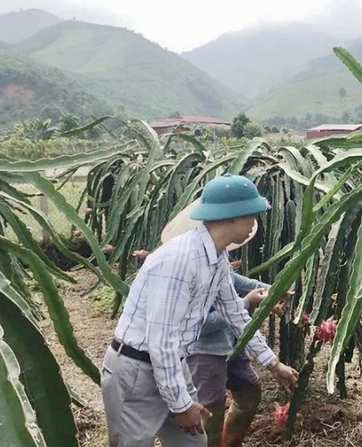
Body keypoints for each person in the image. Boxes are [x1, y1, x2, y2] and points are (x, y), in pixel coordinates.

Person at [101, 173, 299, 446]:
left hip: (172, 365)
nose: (255, 224)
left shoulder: (216, 258)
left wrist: (273, 364)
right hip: (136, 371)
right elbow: (161, 340)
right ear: (233, 216)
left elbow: (236, 315)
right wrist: (182, 406)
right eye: (252, 215)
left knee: (194, 442)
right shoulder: (179, 261)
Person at [160, 202, 291, 447]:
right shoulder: (186, 267)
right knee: (211, 410)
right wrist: (247, 304)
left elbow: (238, 282)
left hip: (233, 344)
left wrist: (272, 290)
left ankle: (229, 442)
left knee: (250, 393)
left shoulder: (218, 258)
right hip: (204, 352)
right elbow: (199, 325)